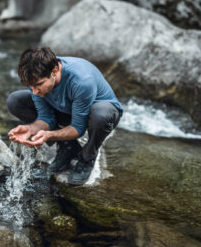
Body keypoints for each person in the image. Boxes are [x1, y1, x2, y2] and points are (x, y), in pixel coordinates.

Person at [7, 47, 123, 186]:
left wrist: (49, 135)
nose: (35, 92)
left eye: (39, 85)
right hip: (66, 109)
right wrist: (30, 129)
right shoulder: (35, 76)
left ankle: (88, 157)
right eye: (30, 87)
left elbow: (78, 128)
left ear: (54, 71)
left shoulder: (81, 80)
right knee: (15, 101)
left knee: (101, 114)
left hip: (99, 113)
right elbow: (45, 118)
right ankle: (68, 147)